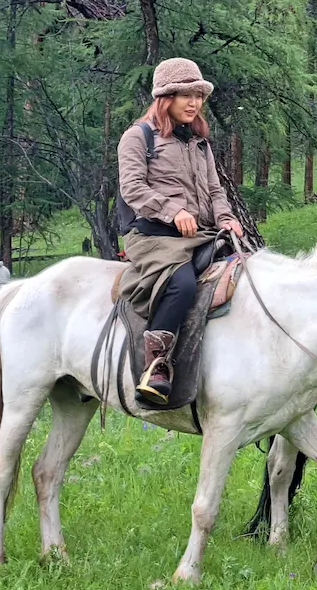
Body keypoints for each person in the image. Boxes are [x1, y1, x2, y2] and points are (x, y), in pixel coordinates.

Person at [117, 57, 243, 406]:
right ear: (165, 99)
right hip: (154, 237)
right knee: (183, 282)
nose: (194, 103)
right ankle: (156, 366)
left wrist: (226, 219)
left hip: (199, 235)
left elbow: (216, 192)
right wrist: (173, 212)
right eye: (185, 95)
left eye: (198, 95)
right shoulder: (138, 137)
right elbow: (133, 189)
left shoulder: (199, 143)